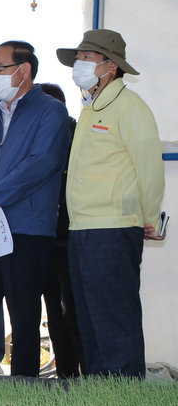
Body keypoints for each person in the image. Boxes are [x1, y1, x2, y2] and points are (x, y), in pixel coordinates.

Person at [0, 41, 70, 376]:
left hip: (26, 227)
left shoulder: (50, 111)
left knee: (23, 313)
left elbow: (41, 164)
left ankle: (23, 387)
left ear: (24, 70)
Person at [57, 29, 165, 378]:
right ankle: (101, 397)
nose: (79, 64)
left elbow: (149, 169)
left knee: (115, 319)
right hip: (81, 229)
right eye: (79, 58)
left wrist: (148, 217)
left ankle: (125, 401)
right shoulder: (89, 108)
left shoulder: (130, 107)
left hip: (114, 228)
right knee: (89, 319)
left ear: (110, 66)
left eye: (86, 58)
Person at [36, 82, 83, 378]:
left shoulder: (77, 136)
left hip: (71, 239)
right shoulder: (36, 137)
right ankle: (66, 375)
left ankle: (85, 374)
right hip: (42, 239)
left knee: (75, 313)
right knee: (54, 312)